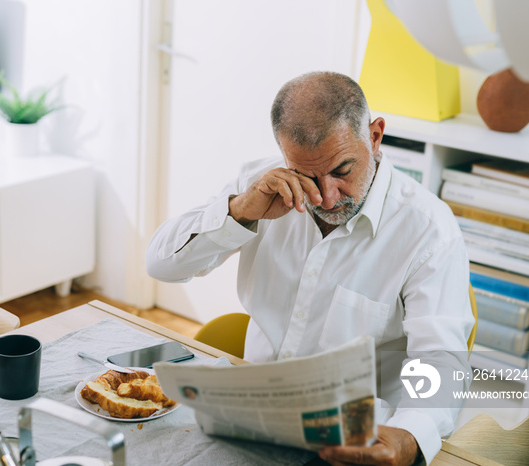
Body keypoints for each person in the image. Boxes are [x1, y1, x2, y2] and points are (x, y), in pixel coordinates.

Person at [146, 72, 474, 465]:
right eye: (307, 175)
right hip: (250, 422)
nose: (326, 196)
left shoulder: (428, 229)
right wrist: (239, 213)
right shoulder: (262, 185)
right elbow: (161, 264)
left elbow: (442, 360)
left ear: (375, 135)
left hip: (352, 443)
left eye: (342, 171)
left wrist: (409, 435)